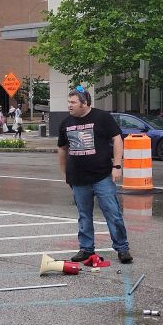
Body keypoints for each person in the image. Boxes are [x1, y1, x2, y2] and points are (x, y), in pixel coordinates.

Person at [57, 85, 133, 264]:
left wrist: (117, 165)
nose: (69, 105)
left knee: (113, 213)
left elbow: (117, 139)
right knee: (84, 215)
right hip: (78, 179)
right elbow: (61, 149)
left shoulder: (102, 118)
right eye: (69, 102)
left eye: (73, 102)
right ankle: (86, 248)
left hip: (102, 177)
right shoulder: (66, 123)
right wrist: (65, 173)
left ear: (84, 103)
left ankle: (122, 248)